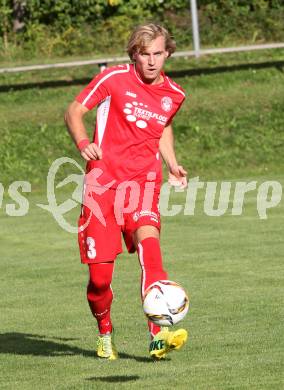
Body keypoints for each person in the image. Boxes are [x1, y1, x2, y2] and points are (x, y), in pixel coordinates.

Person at [64, 23, 188, 360]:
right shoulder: (114, 79)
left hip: (143, 184)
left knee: (151, 250)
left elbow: (163, 126)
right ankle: (104, 330)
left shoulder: (174, 94)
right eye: (144, 54)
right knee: (100, 280)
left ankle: (158, 336)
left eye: (158, 54)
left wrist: (173, 163)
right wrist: (84, 142)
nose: (151, 61)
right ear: (134, 53)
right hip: (102, 187)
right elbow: (74, 111)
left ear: (168, 53)